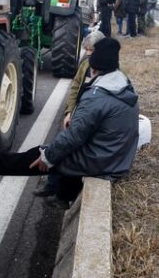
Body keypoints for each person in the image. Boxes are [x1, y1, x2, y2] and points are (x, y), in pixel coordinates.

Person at [0, 38, 140, 207]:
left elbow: (74, 137)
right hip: (117, 158)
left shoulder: (97, 97)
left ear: (93, 69)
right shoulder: (123, 84)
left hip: (103, 162)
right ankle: (63, 196)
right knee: (63, 149)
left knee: (41, 154)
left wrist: (47, 157)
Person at [35, 31, 107, 197]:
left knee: (66, 149)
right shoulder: (85, 66)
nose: (87, 54)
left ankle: (62, 192)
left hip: (90, 119)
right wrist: (69, 112)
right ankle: (52, 187)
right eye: (87, 50)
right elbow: (75, 87)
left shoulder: (110, 69)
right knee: (60, 145)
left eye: (91, 50)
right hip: (78, 115)